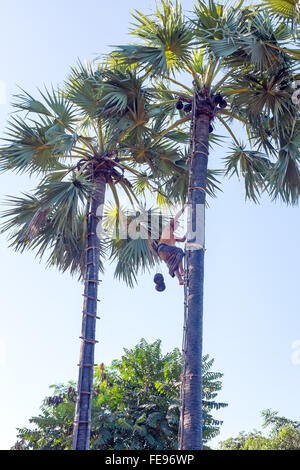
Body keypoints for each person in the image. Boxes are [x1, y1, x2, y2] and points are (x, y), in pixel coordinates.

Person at [157, 204, 188, 286]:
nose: (177, 226)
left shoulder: (173, 236)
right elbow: (177, 217)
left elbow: (183, 239)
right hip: (162, 248)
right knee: (179, 251)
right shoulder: (168, 227)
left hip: (163, 254)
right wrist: (184, 208)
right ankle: (182, 271)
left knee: (173, 263)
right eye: (176, 224)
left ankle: (180, 280)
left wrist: (189, 231)